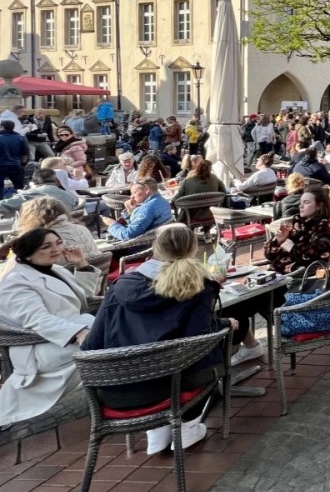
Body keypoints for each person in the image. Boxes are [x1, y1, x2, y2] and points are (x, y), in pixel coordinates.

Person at [82, 225, 235, 453]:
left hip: (115, 393)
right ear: (192, 249)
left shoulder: (119, 286)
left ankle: (158, 432)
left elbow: (91, 345)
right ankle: (188, 426)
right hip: (171, 388)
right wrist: (224, 325)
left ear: (155, 249)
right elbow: (198, 340)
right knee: (215, 347)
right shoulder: (199, 286)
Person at [0, 228, 101, 425]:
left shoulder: (55, 269)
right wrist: (78, 332)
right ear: (28, 254)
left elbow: (82, 301)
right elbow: (36, 319)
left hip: (64, 336)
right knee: (107, 333)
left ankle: (128, 388)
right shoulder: (15, 282)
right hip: (42, 348)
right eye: (46, 246)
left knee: (112, 324)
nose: (56, 249)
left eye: (58, 243)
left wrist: (81, 265)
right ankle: (129, 395)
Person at [264, 185, 330, 274]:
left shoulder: (324, 228)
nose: (300, 206)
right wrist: (277, 241)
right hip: (277, 276)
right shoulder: (297, 224)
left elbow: (315, 260)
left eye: (306, 202)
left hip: (302, 280)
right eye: (301, 202)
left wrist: (292, 248)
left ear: (319, 206)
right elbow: (269, 255)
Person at [16, 196, 100, 259]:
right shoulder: (82, 229)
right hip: (94, 277)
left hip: (65, 279)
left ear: (32, 217)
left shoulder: (43, 238)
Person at [104, 177, 173, 241]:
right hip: (156, 243)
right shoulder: (163, 201)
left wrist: (112, 224)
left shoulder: (147, 208)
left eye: (134, 193)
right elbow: (138, 226)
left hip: (139, 247)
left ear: (146, 190)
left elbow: (128, 235)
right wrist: (131, 212)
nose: (131, 197)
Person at [170, 157, 227, 225]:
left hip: (191, 216)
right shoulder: (214, 178)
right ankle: (206, 232)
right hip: (212, 213)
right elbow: (223, 191)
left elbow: (179, 195)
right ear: (210, 169)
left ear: (197, 168)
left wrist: (171, 202)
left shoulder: (188, 180)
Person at [0, 168, 79, 217]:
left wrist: (22, 194)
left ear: (34, 182)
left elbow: (3, 206)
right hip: (66, 227)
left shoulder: (32, 193)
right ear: (57, 182)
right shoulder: (70, 196)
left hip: (42, 232)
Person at [0, 119, 28, 192]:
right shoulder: (20, 137)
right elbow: (24, 153)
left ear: (2, 127)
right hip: (16, 165)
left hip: (1, 165)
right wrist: (22, 165)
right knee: (20, 188)